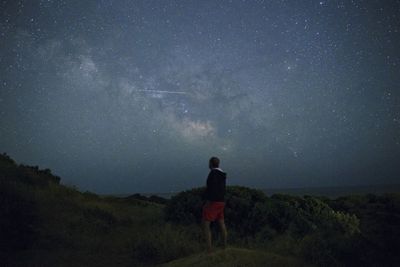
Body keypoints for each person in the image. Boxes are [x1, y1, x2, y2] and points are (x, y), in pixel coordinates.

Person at [202, 156, 228, 253]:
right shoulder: (222, 174)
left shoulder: (213, 173)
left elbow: (212, 188)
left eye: (209, 163)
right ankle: (224, 247)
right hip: (221, 202)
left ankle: (209, 250)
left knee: (206, 225)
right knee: (221, 223)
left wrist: (208, 202)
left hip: (213, 202)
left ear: (211, 163)